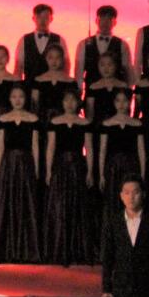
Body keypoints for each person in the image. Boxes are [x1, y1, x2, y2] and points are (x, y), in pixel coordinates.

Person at [44, 88, 97, 266]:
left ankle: (77, 250)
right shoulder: (55, 122)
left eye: (73, 100)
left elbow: (89, 148)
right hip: (60, 168)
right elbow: (51, 147)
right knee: (60, 207)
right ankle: (60, 250)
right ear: (62, 103)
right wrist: (48, 170)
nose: (69, 103)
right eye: (66, 100)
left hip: (77, 167)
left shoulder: (84, 123)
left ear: (78, 103)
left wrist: (90, 171)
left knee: (77, 207)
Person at [0, 86, 41, 262]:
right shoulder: (3, 119)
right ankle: (5, 249)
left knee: (26, 203)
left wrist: (36, 168)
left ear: (26, 99)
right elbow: (0, 146)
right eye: (14, 96)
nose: (17, 100)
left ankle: (27, 250)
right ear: (9, 99)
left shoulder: (33, 119)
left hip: (26, 164)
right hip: (9, 165)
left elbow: (35, 146)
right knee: (8, 202)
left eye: (21, 96)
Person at [97, 89, 147, 213]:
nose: (121, 104)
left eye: (125, 101)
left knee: (132, 200)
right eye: (118, 101)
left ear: (129, 102)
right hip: (113, 167)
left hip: (131, 166)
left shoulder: (137, 124)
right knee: (113, 199)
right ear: (114, 103)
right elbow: (102, 151)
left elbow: (141, 150)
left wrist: (143, 172)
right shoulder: (107, 124)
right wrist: (101, 174)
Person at [77, 5, 136, 87]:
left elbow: (128, 70)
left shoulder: (122, 45)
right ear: (96, 20)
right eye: (102, 18)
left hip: (116, 91)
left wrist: (128, 89)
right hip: (91, 90)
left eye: (109, 19)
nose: (105, 22)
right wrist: (79, 89)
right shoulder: (83, 44)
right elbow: (79, 72)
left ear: (115, 22)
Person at [16, 3, 69, 80]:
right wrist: (17, 85)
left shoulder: (60, 40)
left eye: (46, 17)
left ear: (51, 19)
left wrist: (64, 83)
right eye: (39, 17)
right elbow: (18, 67)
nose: (42, 20)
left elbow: (66, 65)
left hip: (53, 85)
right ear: (33, 18)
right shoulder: (24, 40)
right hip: (29, 85)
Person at [33, 43, 78, 120]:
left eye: (57, 57)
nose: (54, 61)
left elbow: (74, 105)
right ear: (46, 59)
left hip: (64, 120)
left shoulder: (71, 81)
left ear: (62, 59)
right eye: (51, 57)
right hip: (43, 120)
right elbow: (34, 106)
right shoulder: (38, 80)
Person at [85, 53, 132, 124]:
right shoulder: (93, 87)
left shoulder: (123, 86)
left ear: (115, 66)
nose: (106, 68)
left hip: (118, 123)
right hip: (98, 124)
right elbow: (90, 112)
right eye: (102, 65)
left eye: (109, 65)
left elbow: (127, 109)